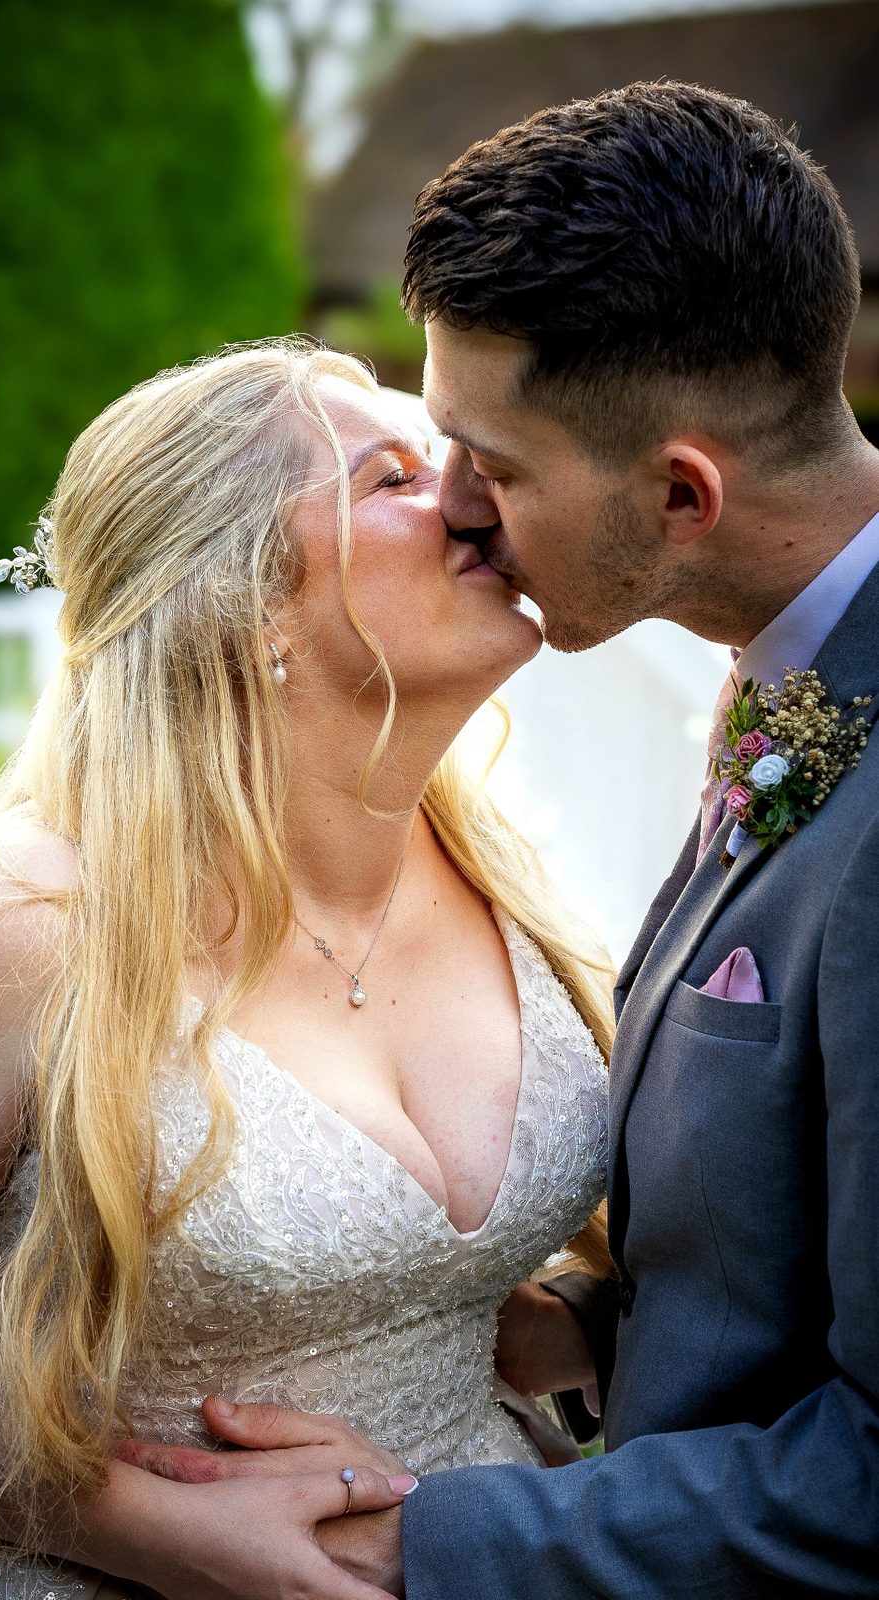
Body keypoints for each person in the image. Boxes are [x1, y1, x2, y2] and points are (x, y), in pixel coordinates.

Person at [130, 82, 879, 1597]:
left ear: (680, 493)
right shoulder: (803, 668)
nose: (459, 511)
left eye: (496, 466)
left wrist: (416, 1540)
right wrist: (586, 1328)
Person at [0, 340, 613, 1600]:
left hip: (480, 1552)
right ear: (243, 597)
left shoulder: (504, 875)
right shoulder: (26, 931)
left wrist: (563, 1329)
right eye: (396, 475)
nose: (473, 497)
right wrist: (141, 1526)